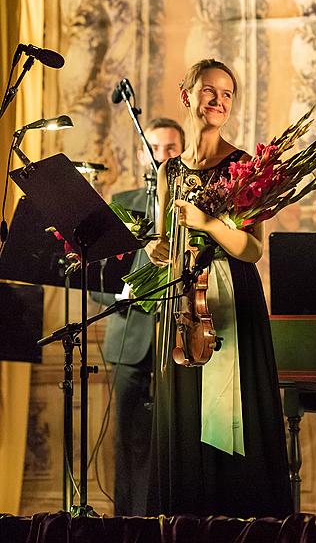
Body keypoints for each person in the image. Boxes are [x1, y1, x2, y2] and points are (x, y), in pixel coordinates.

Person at [144, 59, 291, 518]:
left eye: (227, 94)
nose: (219, 101)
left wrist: (208, 223)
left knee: (232, 414)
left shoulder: (244, 166)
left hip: (230, 299)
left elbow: (251, 248)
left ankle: (237, 519)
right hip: (181, 304)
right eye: (209, 91)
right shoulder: (169, 171)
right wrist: (158, 248)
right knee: (184, 411)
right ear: (187, 96)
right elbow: (161, 237)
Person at [94, 118, 184, 516]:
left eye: (171, 148)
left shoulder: (192, 207)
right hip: (129, 340)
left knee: (174, 442)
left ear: (182, 152)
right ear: (140, 153)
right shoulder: (122, 201)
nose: (162, 155)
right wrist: (121, 291)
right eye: (156, 147)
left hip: (179, 341)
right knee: (127, 439)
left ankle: (170, 522)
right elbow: (94, 272)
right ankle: (125, 523)